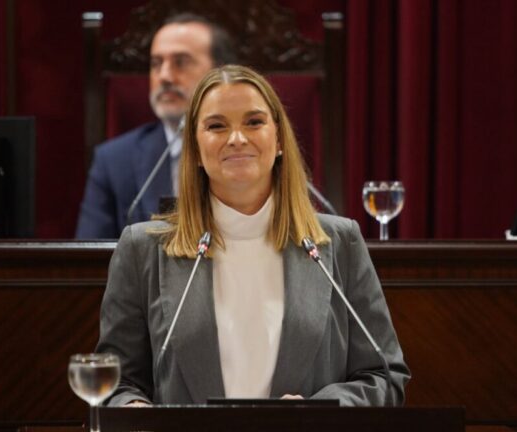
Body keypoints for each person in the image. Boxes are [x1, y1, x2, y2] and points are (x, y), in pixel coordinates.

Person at [96, 65, 410, 406]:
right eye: (217, 126)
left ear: (278, 140)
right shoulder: (141, 249)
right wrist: (133, 410)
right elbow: (116, 382)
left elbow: (384, 375)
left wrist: (317, 411)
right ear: (196, 150)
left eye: (253, 122)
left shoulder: (340, 242)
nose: (237, 139)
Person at [75, 13, 236, 239]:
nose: (165, 76)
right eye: (156, 64)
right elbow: (86, 264)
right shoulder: (113, 161)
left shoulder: (251, 149)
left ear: (220, 72)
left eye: (181, 62)